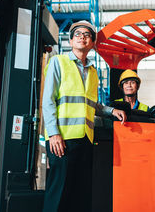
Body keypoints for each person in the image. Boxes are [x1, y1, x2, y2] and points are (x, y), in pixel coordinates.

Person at [42, 20, 127, 212]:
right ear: (71, 41)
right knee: (59, 193)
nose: (82, 37)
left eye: (87, 35)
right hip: (62, 139)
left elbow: (90, 104)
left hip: (85, 139)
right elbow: (48, 100)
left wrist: (111, 111)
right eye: (78, 34)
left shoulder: (93, 72)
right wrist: (53, 133)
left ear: (92, 43)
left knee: (80, 193)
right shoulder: (59, 62)